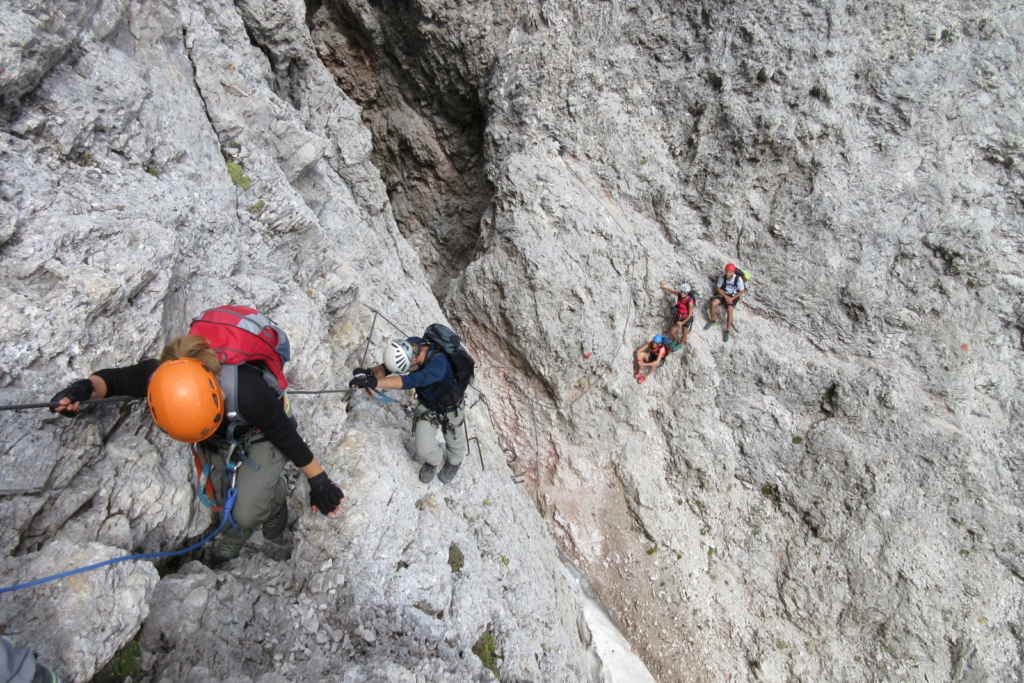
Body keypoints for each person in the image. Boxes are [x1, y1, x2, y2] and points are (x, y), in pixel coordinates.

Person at [49, 334, 344, 566]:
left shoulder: (249, 391)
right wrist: (83, 389)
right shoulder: (161, 377)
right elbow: (111, 381)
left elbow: (287, 437)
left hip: (261, 434)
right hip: (216, 435)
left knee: (245, 513)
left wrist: (319, 481)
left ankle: (273, 499)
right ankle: (246, 510)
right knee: (216, 496)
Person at [348, 337, 466, 484]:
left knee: (454, 439)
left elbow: (411, 381)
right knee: (423, 448)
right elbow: (388, 367)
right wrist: (370, 373)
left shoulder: (439, 365)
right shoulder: (412, 345)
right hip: (427, 404)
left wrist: (374, 382)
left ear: (415, 361)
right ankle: (433, 461)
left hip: (450, 408)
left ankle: (455, 461)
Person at [705, 263, 745, 341]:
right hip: (724, 294)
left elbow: (741, 291)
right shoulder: (722, 277)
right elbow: (718, 288)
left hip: (733, 295)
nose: (727, 273)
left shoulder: (738, 279)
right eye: (726, 271)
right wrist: (726, 297)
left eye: (729, 272)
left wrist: (732, 298)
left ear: (733, 272)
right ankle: (712, 321)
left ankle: (727, 330)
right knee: (713, 303)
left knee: (730, 311)